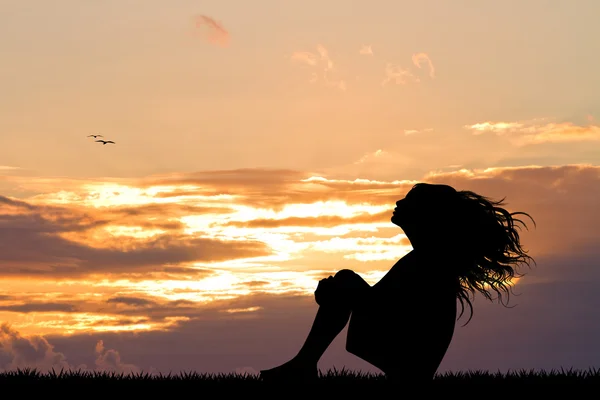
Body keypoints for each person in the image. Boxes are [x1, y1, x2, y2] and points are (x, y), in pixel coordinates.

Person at [260, 183, 536, 384]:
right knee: (346, 282)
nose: (400, 202)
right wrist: (341, 297)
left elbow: (386, 308)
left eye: (410, 200)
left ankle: (303, 365)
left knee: (345, 280)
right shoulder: (424, 258)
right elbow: (384, 303)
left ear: (426, 215)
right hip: (405, 353)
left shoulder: (430, 261)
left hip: (410, 362)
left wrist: (343, 293)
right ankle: (303, 365)